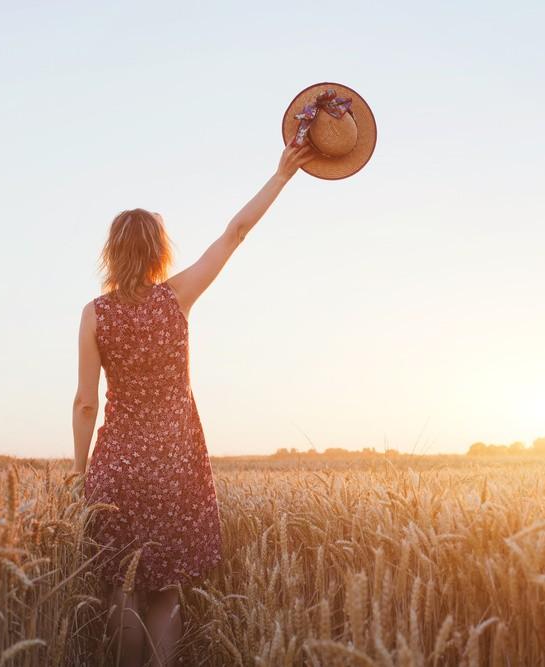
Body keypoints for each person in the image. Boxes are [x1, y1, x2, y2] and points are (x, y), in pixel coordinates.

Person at [71, 141, 315, 666]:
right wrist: (280, 176)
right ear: (160, 251)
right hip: (175, 466)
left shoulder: (95, 315)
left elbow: (85, 404)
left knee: (122, 586)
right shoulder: (177, 296)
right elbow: (235, 232)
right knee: (166, 591)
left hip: (117, 468)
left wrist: (79, 474)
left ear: (111, 254)